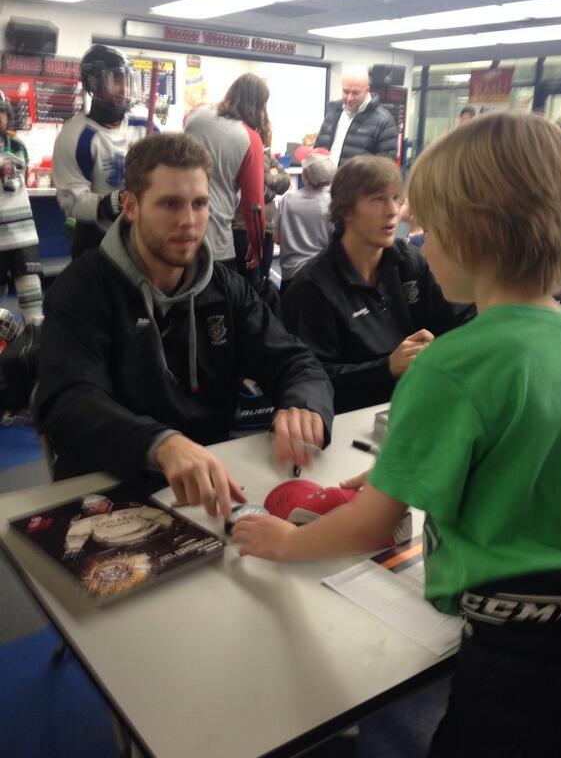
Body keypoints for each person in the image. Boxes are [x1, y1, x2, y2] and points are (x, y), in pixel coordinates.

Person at [233, 112, 561, 756]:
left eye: (429, 224)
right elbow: (522, 457)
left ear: (476, 230)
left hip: (519, 649)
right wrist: (395, 472)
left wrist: (279, 544)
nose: (417, 238)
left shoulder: (449, 367)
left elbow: (370, 527)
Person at [36, 132, 334, 517]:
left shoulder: (224, 288)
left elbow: (295, 361)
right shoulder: (83, 289)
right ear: (130, 206)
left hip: (211, 484)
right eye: (170, 204)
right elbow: (68, 402)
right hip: (111, 486)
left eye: (199, 204)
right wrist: (160, 443)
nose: (189, 222)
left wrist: (303, 405)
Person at [282, 155, 473, 413]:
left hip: (418, 406)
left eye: (396, 198)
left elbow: (454, 318)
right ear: (346, 210)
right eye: (378, 199)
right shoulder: (311, 288)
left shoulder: (410, 262)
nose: (393, 210)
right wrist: (387, 369)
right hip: (349, 424)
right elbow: (311, 377)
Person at [52, 44, 152, 257]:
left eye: (127, 80)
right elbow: (73, 201)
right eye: (116, 80)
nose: (124, 88)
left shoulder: (146, 127)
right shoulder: (74, 136)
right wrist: (115, 201)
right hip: (97, 239)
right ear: (93, 83)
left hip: (142, 236)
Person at [185, 73, 268, 274]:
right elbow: (254, 204)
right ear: (258, 105)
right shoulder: (250, 139)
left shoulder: (195, 115)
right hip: (216, 242)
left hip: (181, 231)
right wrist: (257, 246)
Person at [0, 90, 43, 323]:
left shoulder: (16, 146)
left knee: (30, 286)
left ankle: (35, 335)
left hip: (22, 233)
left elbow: (14, 180)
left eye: (2, 112)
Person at [232, 120, 290, 283]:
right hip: (242, 227)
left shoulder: (267, 156)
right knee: (247, 278)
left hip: (266, 229)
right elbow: (248, 192)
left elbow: (285, 182)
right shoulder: (240, 154)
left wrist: (266, 178)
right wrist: (267, 186)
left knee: (264, 276)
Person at [275, 149, 335, 293]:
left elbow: (276, 238)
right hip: (322, 278)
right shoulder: (333, 204)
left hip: (290, 277)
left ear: (305, 176)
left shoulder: (287, 200)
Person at [314, 66, 398, 166]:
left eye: (355, 93)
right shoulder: (333, 113)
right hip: (328, 181)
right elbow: (318, 152)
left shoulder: (384, 121)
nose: (349, 98)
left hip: (358, 181)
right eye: (345, 91)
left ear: (367, 90)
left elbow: (384, 168)